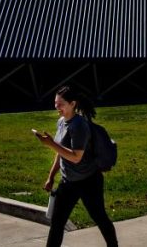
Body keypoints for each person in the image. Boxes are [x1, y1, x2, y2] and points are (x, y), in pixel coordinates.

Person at [34, 86, 118, 247]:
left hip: (89, 181)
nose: (57, 107)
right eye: (55, 103)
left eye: (61, 104)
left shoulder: (79, 125)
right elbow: (60, 152)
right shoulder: (61, 122)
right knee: (57, 223)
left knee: (99, 217)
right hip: (68, 182)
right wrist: (51, 177)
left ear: (72, 104)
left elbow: (76, 157)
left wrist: (50, 144)